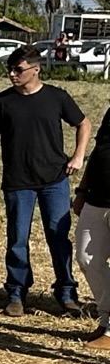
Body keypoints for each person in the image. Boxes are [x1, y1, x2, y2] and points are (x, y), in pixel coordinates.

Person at [0, 45, 92, 318]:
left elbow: (84, 124)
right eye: (9, 69)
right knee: (17, 238)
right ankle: (16, 293)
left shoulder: (56, 97)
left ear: (35, 69)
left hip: (54, 180)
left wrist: (78, 156)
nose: (12, 74)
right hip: (18, 182)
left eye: (18, 69)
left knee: (58, 237)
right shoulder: (0, 102)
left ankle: (67, 293)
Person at [76, 131, 110, 347]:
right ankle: (105, 318)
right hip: (96, 199)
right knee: (87, 258)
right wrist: (82, 190)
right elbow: (99, 151)